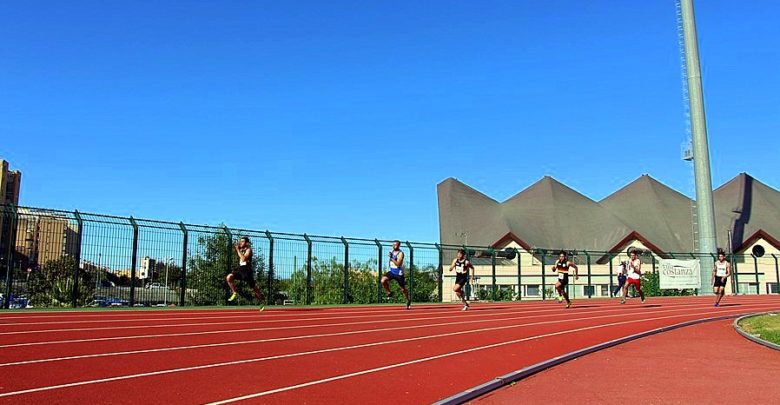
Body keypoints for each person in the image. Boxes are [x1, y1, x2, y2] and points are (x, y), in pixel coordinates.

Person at [226, 236, 265, 309]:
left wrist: (238, 250)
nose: (240, 243)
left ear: (247, 243)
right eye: (240, 241)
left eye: (242, 241)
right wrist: (237, 247)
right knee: (229, 277)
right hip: (240, 269)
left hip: (247, 271)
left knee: (254, 287)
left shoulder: (249, 250)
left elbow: (243, 259)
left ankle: (261, 301)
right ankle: (234, 292)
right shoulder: (241, 249)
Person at [381, 240, 411, 310]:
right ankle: (389, 292)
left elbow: (398, 264)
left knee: (403, 289)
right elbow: (390, 261)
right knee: (383, 280)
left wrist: (392, 258)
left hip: (399, 273)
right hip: (392, 272)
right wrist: (390, 258)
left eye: (396, 245)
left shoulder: (401, 253)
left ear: (399, 245)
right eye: (393, 245)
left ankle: (408, 300)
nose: (394, 246)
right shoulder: (391, 251)